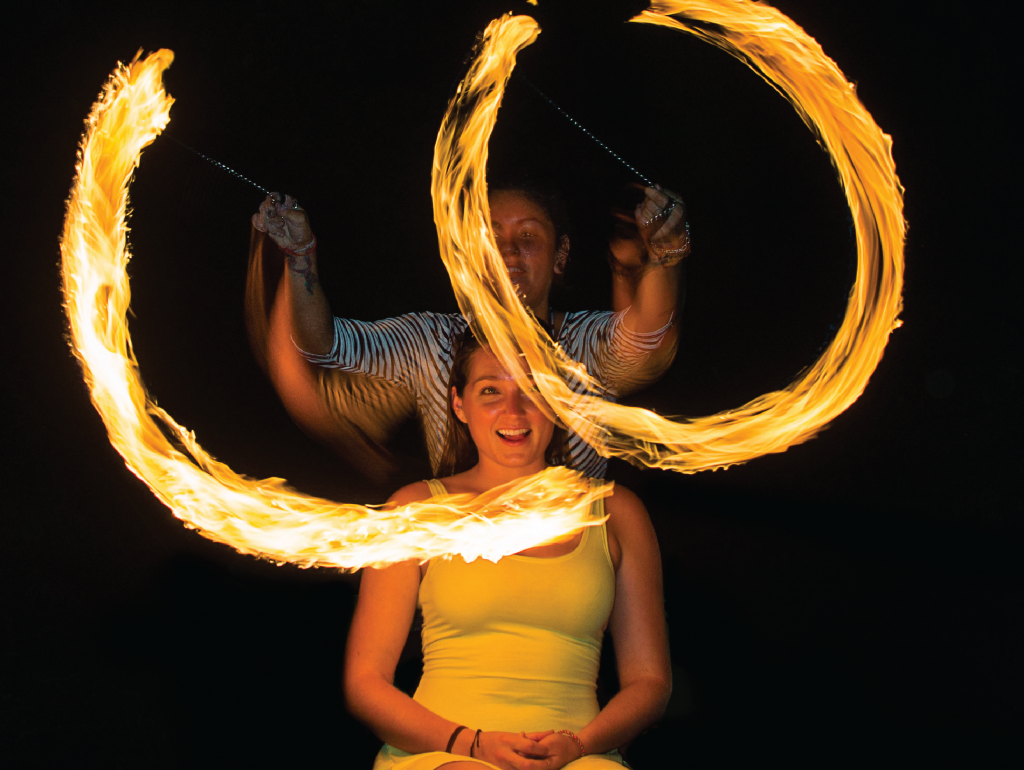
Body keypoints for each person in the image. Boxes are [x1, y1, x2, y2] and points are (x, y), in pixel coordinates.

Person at [345, 332, 671, 769]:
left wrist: (579, 744)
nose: (513, 411)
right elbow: (365, 683)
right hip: (444, 753)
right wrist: (472, 744)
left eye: (533, 389)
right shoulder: (416, 509)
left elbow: (649, 681)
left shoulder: (616, 512)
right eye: (490, 391)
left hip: (579, 754)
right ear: (459, 404)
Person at [248, 180, 690, 480]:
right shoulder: (431, 343)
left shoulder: (581, 346)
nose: (509, 253)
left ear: (561, 255)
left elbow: (647, 336)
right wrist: (300, 256)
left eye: (530, 238)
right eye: (491, 237)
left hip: (567, 575)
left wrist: (666, 253)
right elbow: (324, 346)